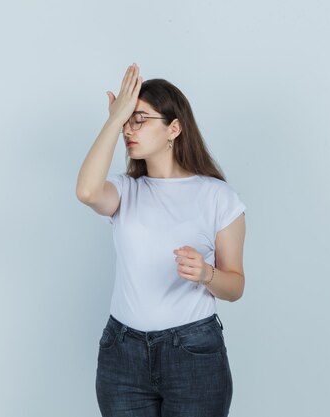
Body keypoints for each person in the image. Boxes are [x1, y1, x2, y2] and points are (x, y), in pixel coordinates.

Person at [76, 63, 246, 417]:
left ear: (174, 128)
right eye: (126, 121)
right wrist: (113, 119)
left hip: (193, 356)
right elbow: (88, 191)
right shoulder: (126, 191)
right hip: (122, 354)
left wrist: (206, 275)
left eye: (140, 119)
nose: (128, 129)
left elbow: (235, 287)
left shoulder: (217, 197)